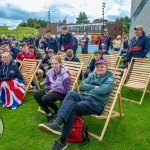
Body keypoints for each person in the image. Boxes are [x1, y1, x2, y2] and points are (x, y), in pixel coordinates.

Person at [38, 59, 114, 150]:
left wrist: (89, 87)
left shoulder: (109, 78)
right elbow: (81, 86)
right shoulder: (92, 75)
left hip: (96, 103)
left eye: (102, 66)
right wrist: (94, 87)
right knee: (70, 93)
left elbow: (102, 90)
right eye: (97, 67)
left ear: (106, 68)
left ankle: (61, 140)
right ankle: (57, 123)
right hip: (84, 97)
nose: (99, 68)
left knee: (71, 107)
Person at [33, 55, 71, 122]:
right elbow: (47, 83)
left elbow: (66, 90)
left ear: (60, 63)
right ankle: (49, 114)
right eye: (52, 64)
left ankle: (57, 110)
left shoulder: (65, 75)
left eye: (56, 63)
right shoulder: (50, 71)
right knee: (36, 94)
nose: (54, 65)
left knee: (45, 98)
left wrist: (54, 90)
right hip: (52, 90)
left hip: (62, 93)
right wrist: (47, 88)